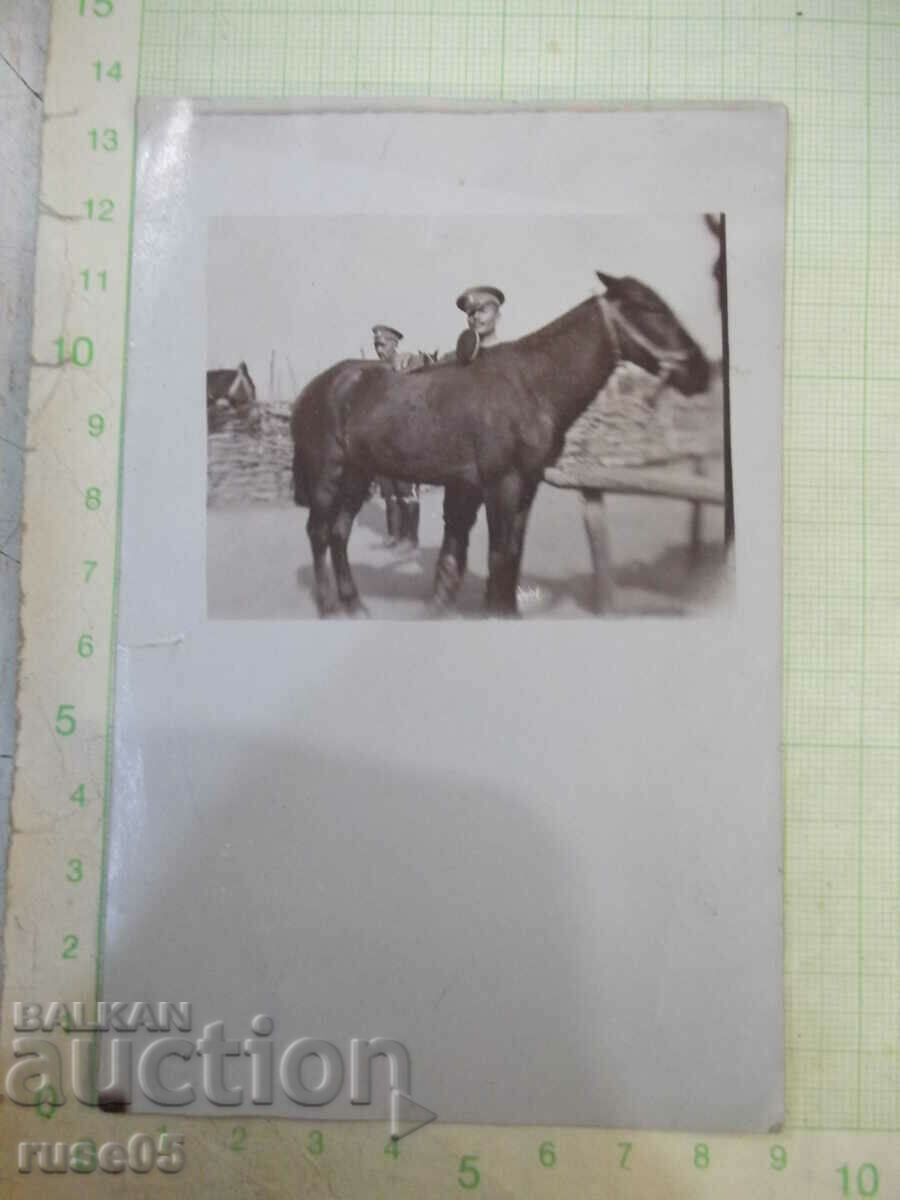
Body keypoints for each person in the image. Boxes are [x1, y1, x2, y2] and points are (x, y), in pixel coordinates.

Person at [371, 324, 421, 547]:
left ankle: (410, 538)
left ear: (394, 344)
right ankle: (394, 535)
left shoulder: (406, 364)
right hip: (381, 443)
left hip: (404, 442)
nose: (378, 350)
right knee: (389, 492)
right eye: (376, 345)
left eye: (382, 345)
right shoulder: (374, 371)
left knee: (406, 491)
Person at [440, 285, 505, 363]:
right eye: (471, 313)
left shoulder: (509, 355)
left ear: (497, 316)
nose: (475, 317)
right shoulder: (450, 359)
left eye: (482, 311)